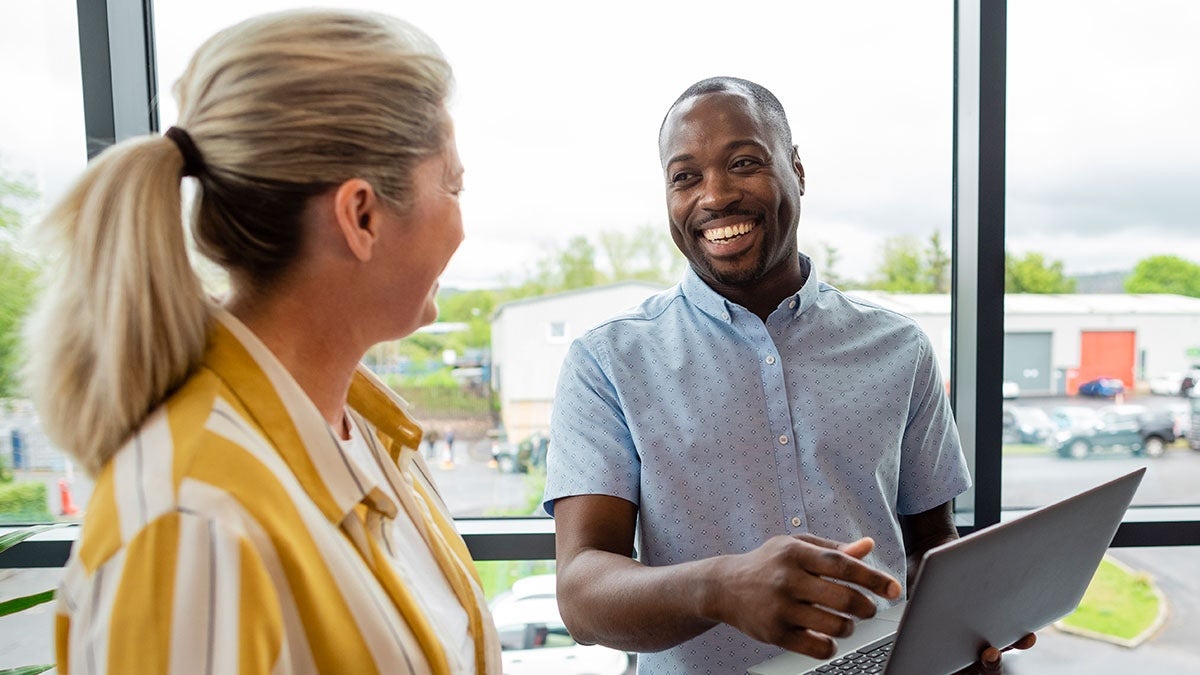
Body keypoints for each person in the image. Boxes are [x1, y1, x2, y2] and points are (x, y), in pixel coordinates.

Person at [24, 9, 500, 674]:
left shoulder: (364, 434)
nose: (461, 226)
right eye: (452, 185)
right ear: (360, 215)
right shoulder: (193, 522)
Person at [543, 76, 1033, 674]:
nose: (716, 196)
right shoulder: (609, 361)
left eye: (744, 163)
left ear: (797, 170)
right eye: (685, 176)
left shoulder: (899, 347)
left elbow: (931, 545)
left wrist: (980, 615)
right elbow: (583, 594)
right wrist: (718, 587)